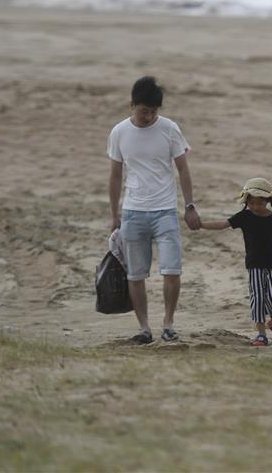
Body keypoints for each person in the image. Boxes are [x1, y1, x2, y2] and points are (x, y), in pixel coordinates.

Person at [107, 76, 200, 344]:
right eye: (144, 110)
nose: (148, 116)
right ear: (132, 105)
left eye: (153, 111)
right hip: (133, 212)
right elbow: (115, 176)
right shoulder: (119, 132)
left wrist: (190, 205)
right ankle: (144, 328)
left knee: (172, 270)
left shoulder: (169, 129)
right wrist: (114, 215)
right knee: (135, 274)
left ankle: (168, 323)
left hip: (165, 211)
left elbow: (183, 168)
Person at [199, 178, 272, 346]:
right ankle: (260, 334)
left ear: (267, 201)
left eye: (259, 203)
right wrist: (200, 225)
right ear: (246, 202)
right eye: (251, 203)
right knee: (257, 298)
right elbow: (223, 224)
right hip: (254, 265)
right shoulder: (244, 216)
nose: (255, 206)